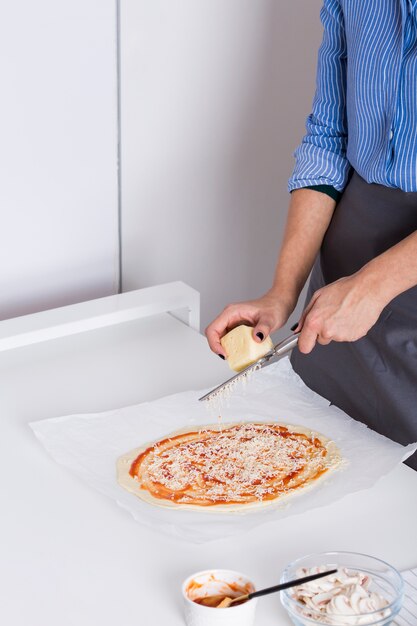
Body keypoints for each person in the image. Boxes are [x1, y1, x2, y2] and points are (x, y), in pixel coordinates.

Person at [205, 0, 417, 470]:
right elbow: (327, 138)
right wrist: (281, 293)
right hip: (345, 267)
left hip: (385, 278)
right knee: (320, 458)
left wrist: (374, 285)